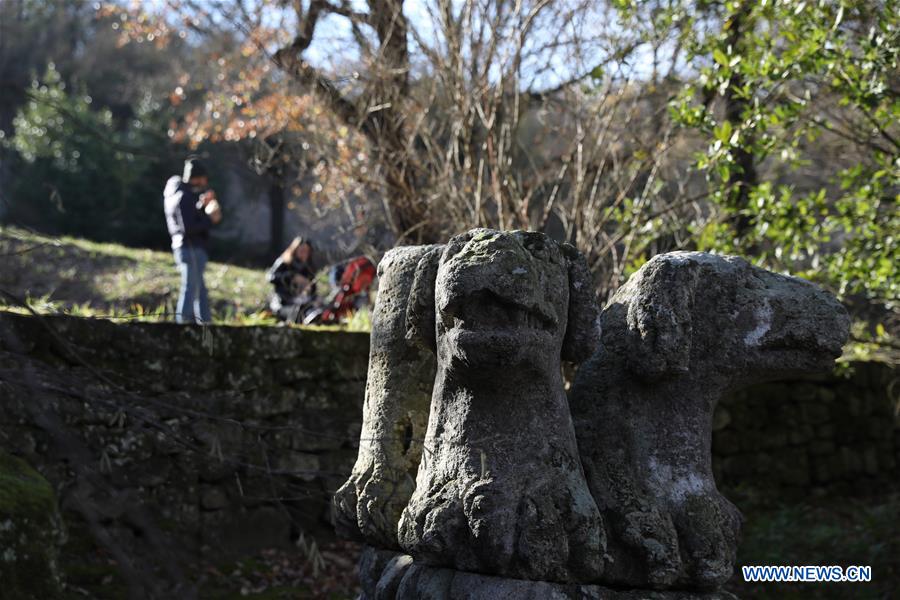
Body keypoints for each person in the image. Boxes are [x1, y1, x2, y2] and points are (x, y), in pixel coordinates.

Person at [163, 157, 222, 324]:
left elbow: (185, 219)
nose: (205, 181)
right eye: (204, 177)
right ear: (197, 176)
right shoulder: (185, 196)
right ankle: (182, 325)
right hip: (191, 248)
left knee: (200, 290)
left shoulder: (177, 194)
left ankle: (206, 325)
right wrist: (211, 218)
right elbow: (188, 227)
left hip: (184, 247)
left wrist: (201, 207)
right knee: (190, 289)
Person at [267, 236, 317, 322]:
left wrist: (308, 286)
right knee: (296, 315)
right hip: (284, 302)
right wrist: (291, 277)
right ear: (295, 250)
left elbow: (313, 288)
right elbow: (271, 276)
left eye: (306, 251)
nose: (304, 254)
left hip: (303, 302)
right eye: (301, 250)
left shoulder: (308, 267)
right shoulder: (285, 262)